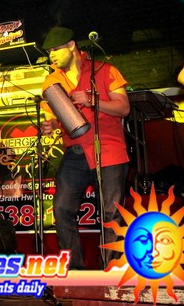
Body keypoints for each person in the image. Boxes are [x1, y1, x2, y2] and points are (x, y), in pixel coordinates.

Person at [39, 26, 130, 270]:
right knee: (61, 208)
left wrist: (92, 101)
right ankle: (75, 271)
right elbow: (54, 117)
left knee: (111, 213)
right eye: (49, 51)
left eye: (56, 49)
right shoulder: (52, 81)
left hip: (109, 149)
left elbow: (123, 108)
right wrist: (51, 125)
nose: (51, 55)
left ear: (71, 46)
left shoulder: (105, 70)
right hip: (75, 153)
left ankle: (111, 271)